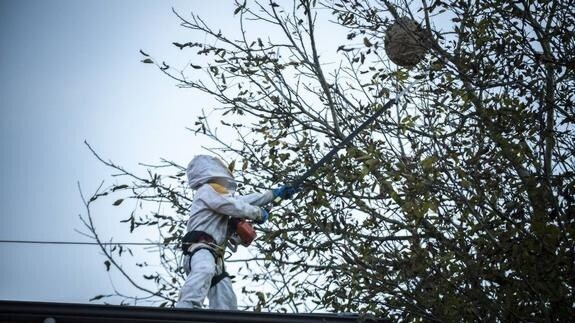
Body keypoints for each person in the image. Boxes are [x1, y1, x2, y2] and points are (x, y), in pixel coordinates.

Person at [175, 155, 297, 310]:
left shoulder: (217, 194)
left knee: (226, 295)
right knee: (204, 270)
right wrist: (258, 213)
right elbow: (234, 205)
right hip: (200, 249)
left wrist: (274, 194)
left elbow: (243, 201)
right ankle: (185, 309)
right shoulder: (207, 190)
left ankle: (226, 318)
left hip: (214, 255)